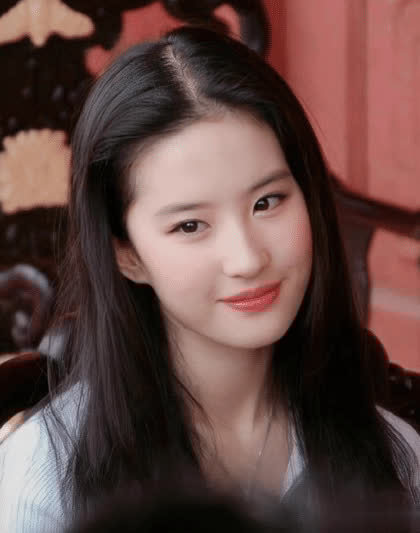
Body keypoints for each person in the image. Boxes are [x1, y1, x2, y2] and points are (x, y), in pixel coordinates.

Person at [1, 24, 419, 532]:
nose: (246, 259)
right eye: (190, 225)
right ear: (125, 254)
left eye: (267, 202)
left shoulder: (397, 459)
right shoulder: (45, 477)